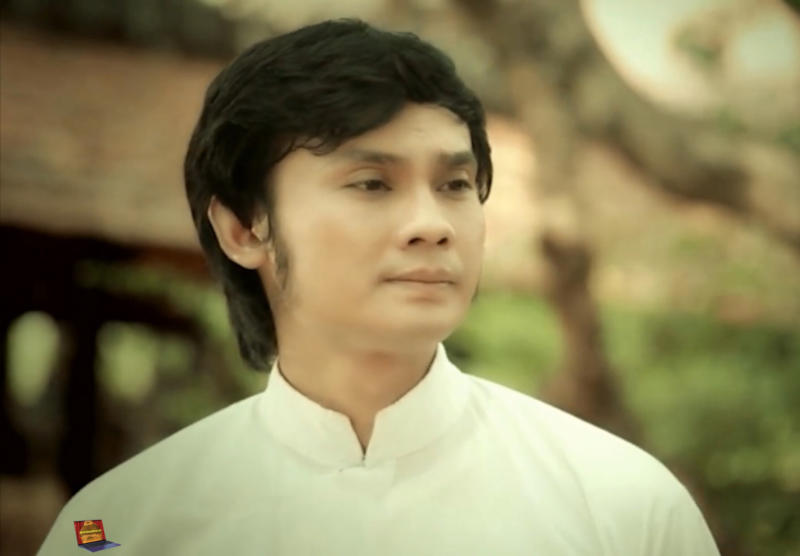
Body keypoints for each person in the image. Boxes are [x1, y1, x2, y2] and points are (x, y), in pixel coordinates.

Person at [39, 18, 720, 555]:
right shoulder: (117, 527)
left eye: (455, 184)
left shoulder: (625, 510)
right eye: (371, 184)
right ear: (244, 228)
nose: (432, 225)